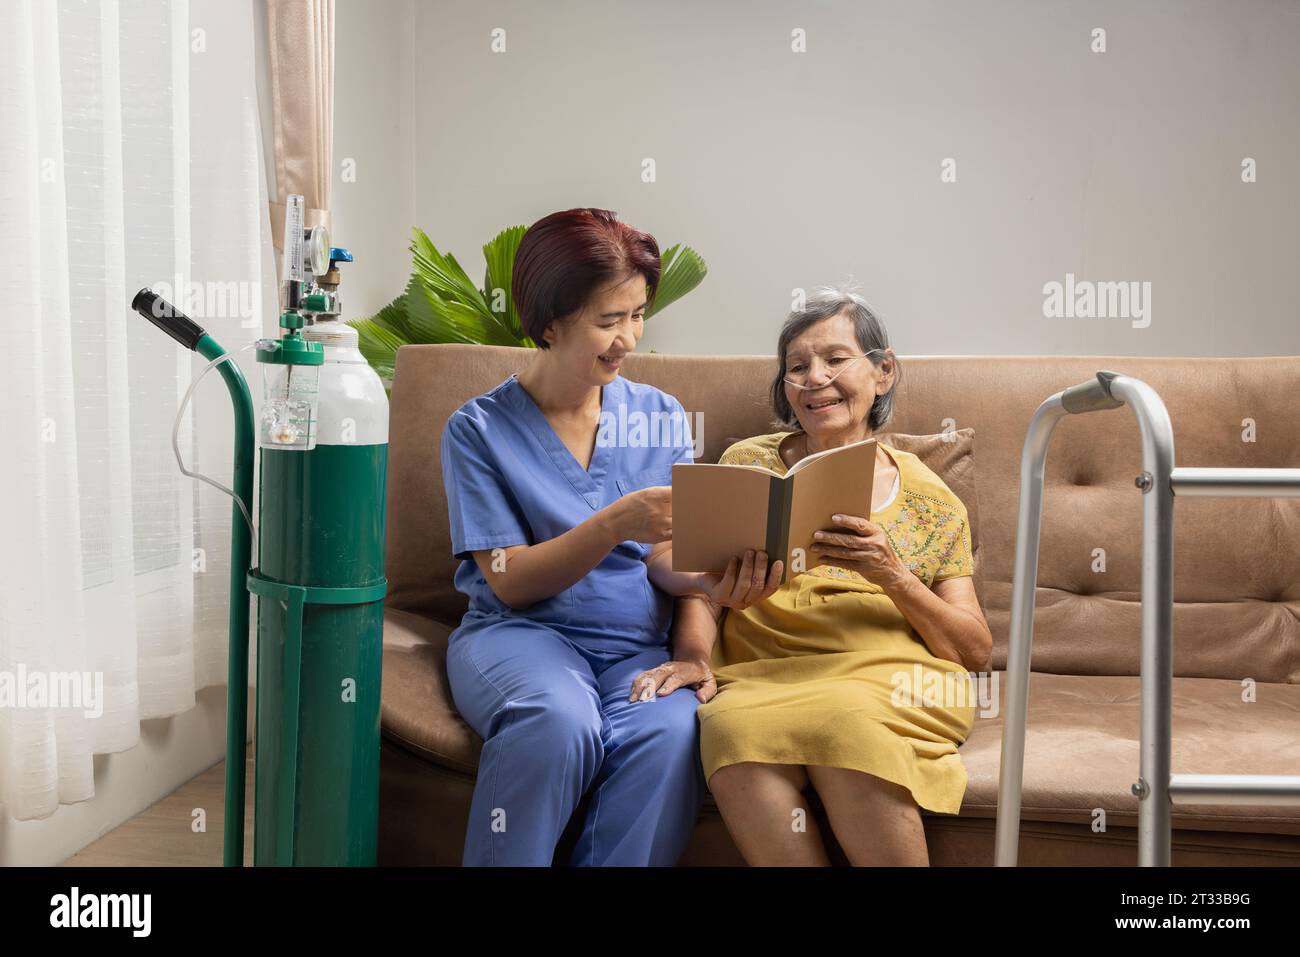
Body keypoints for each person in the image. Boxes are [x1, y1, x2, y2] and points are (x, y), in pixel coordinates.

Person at [439, 208, 779, 866]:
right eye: (608, 320)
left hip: (632, 648)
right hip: (520, 639)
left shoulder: (658, 415)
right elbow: (508, 580)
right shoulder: (477, 430)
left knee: (670, 729)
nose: (629, 337)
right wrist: (616, 521)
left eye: (637, 314)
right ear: (549, 320)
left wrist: (716, 579)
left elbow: (663, 559)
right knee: (556, 720)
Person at [694, 286, 994, 866]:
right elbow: (700, 592)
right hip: (764, 672)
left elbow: (974, 651)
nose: (814, 378)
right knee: (728, 734)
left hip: (885, 678)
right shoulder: (745, 466)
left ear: (883, 372)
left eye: (835, 360)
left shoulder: (933, 501)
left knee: (845, 723)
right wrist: (701, 650)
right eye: (797, 368)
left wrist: (893, 576)